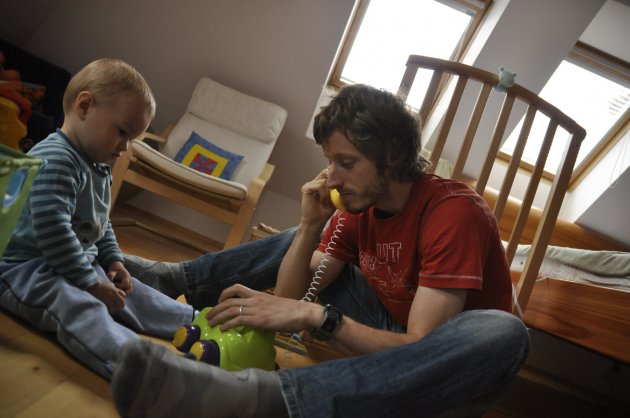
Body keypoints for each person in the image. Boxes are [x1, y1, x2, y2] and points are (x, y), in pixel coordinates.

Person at [111, 84, 530, 417]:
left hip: (452, 368)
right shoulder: (361, 205)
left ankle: (267, 399)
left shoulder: (454, 213)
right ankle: (169, 280)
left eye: (345, 163)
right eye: (331, 161)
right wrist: (311, 225)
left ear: (392, 158)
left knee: (506, 332)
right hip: (391, 326)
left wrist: (318, 317)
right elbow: (289, 298)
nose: (332, 178)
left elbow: (420, 348)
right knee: (303, 233)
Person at [0, 58, 195, 379]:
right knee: (78, 305)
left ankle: (193, 321)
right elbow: (54, 231)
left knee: (133, 291)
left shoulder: (97, 165)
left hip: (72, 262)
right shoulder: (55, 159)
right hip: (26, 268)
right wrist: (90, 283)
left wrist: (113, 261)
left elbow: (100, 223)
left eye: (131, 139)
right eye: (122, 132)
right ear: (85, 106)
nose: (125, 147)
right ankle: (139, 367)